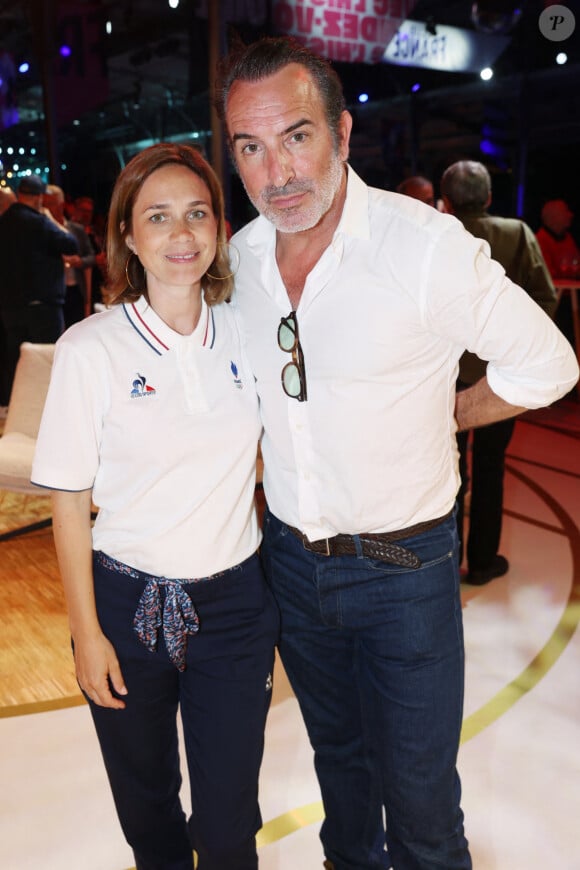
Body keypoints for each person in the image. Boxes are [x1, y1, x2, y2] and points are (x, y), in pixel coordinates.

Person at [215, 36, 579, 870]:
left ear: (343, 134)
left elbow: (550, 364)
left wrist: (451, 411)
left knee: (421, 812)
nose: (278, 172)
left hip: (403, 570)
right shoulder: (238, 261)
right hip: (293, 568)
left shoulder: (422, 247)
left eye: (297, 136)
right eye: (251, 148)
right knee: (342, 784)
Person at [31, 143, 279, 870]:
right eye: (159, 217)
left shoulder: (246, 330)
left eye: (198, 214)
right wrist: (85, 633)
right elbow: (69, 500)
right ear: (129, 237)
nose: (182, 234)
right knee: (150, 818)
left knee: (230, 828)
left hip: (235, 608)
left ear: (218, 228)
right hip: (125, 608)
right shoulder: (91, 348)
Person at [440, 160, 557, 584]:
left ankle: (445, 565)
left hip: (443, 378)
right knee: (491, 467)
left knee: (448, 470)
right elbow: (546, 299)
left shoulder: (437, 233)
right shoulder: (518, 233)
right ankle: (484, 562)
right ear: (490, 197)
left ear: (446, 200)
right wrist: (509, 346)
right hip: (499, 379)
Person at [0, 175, 78, 401]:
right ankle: (51, 414)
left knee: (18, 364)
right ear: (39, 198)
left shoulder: (3, 222)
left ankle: (22, 412)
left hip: (11, 308)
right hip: (42, 307)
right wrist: (50, 219)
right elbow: (71, 245)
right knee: (48, 363)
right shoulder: (39, 222)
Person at [43, 184, 96, 326]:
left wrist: (79, 261)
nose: (46, 209)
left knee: (79, 329)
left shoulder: (76, 229)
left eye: (50, 204)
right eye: (44, 204)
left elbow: (91, 256)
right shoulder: (43, 231)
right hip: (54, 292)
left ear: (61, 205)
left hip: (76, 289)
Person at [535, 198, 580, 278]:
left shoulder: (567, 238)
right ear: (554, 217)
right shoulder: (540, 241)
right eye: (565, 211)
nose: (570, 215)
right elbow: (547, 275)